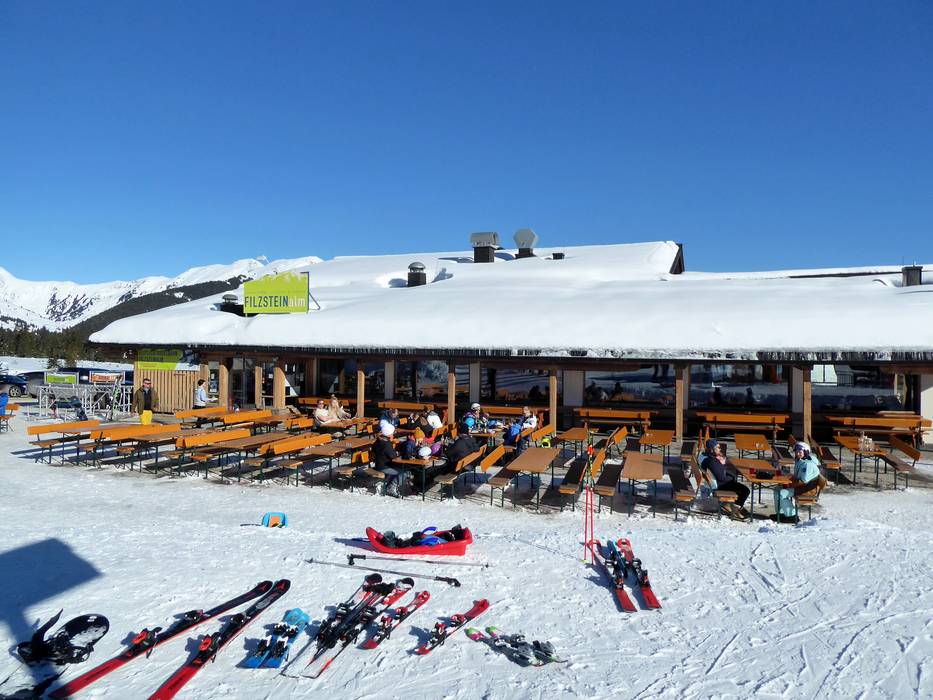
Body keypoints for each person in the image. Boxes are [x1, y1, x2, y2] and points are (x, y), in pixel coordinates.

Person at [701, 439, 750, 520]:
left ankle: (731, 505)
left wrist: (728, 472)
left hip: (720, 483)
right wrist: (732, 476)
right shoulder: (711, 461)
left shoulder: (710, 459)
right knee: (745, 491)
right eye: (718, 447)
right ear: (711, 449)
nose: (720, 449)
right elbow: (721, 477)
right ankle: (735, 509)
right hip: (722, 485)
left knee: (739, 486)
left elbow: (721, 472)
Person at [372, 423, 407, 498]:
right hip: (384, 467)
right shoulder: (386, 444)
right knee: (403, 473)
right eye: (392, 433)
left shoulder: (378, 441)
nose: (393, 435)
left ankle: (391, 485)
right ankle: (391, 488)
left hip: (379, 464)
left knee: (402, 469)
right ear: (388, 435)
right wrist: (400, 454)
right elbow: (394, 457)